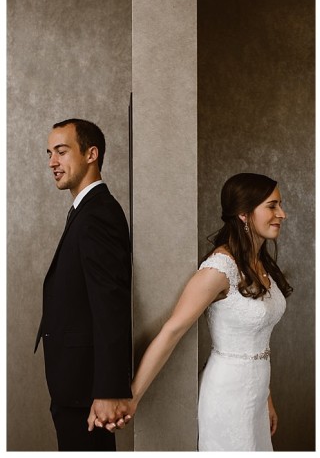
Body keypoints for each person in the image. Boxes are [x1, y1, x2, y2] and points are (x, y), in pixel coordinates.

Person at [96, 173, 292, 450]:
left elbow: (256, 340)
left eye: (280, 205)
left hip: (256, 395)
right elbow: (172, 331)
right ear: (244, 214)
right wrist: (133, 397)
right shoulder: (219, 270)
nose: (281, 214)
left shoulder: (261, 264)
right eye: (272, 206)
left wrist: (266, 398)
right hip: (228, 395)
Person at [37, 118, 133, 451]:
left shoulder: (99, 214)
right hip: (73, 383)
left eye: (61, 151)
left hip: (86, 391)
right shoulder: (86, 211)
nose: (52, 162)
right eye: (49, 153)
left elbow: (111, 305)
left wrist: (107, 390)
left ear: (91, 154)